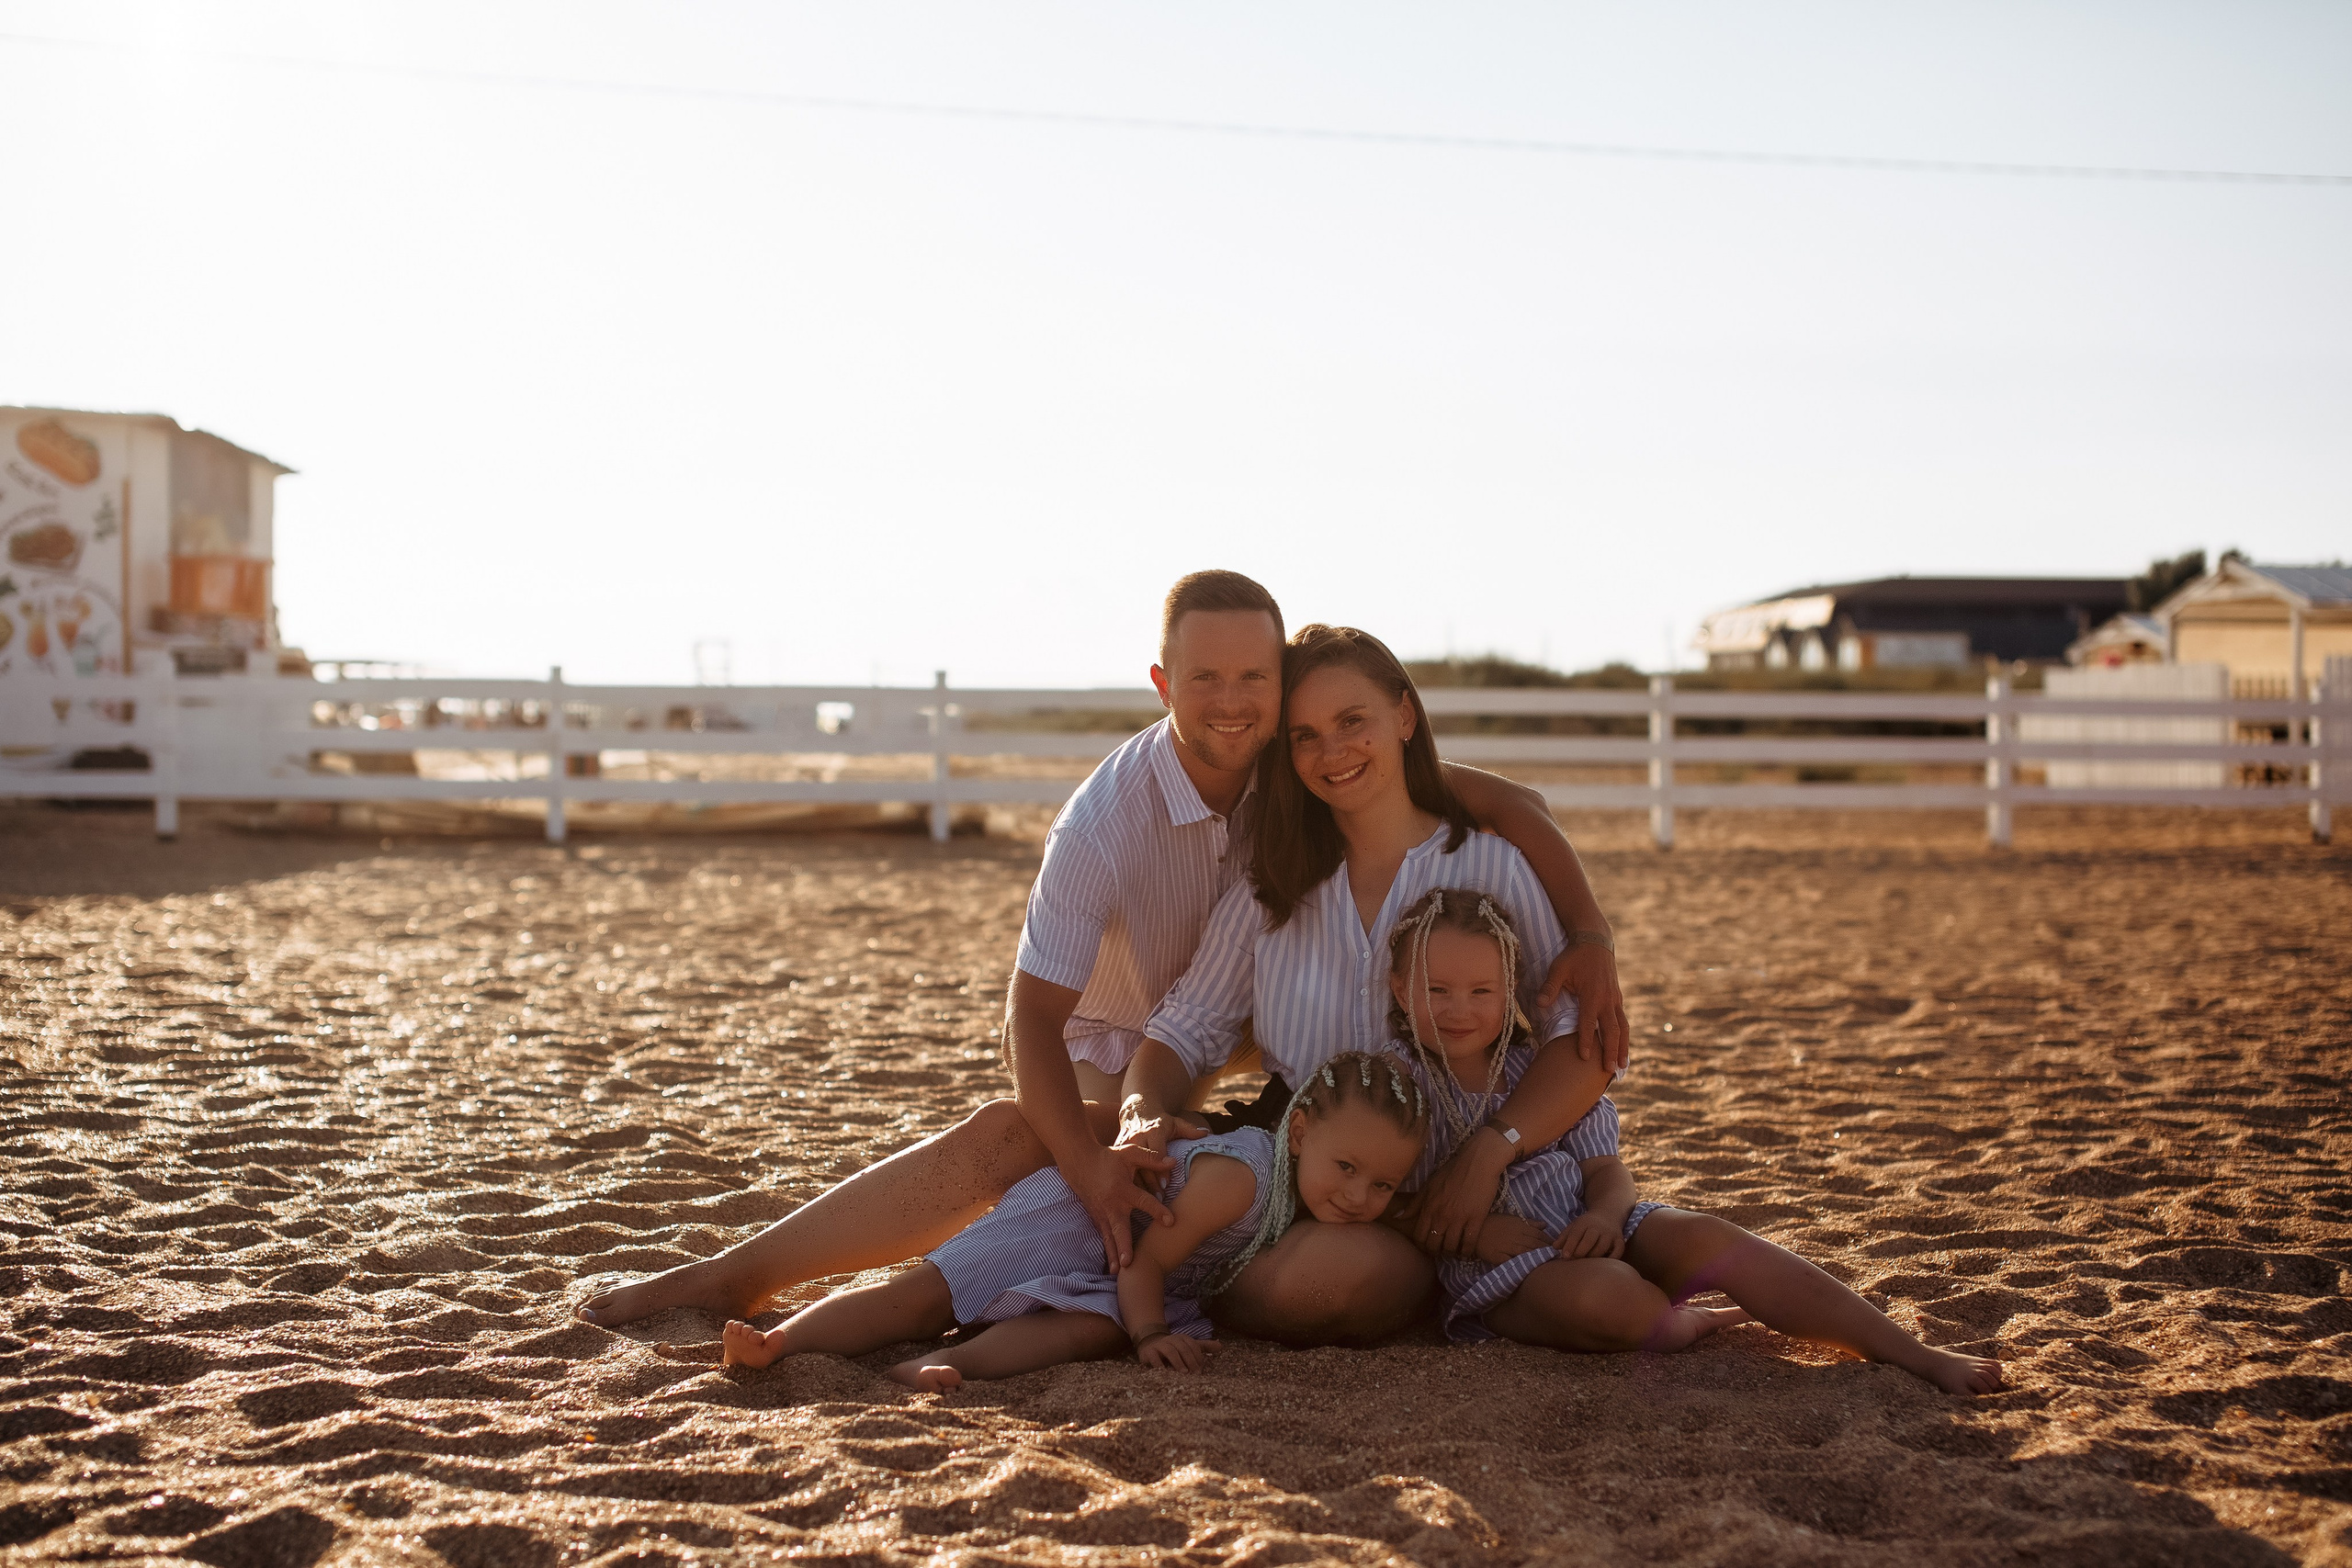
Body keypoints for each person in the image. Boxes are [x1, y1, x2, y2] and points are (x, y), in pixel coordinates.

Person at [577, 573, 1625, 1340]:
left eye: (1255, 680)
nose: (1237, 704)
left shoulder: (1305, 765)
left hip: (1298, 1078)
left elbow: (1497, 798)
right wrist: (1116, 1132)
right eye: (1206, 678)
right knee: (1041, 1152)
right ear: (1163, 682)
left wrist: (1586, 931)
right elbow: (1040, 1021)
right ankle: (744, 1275)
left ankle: (1144, 1289)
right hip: (1130, 1042)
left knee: (1281, 1218)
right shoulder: (1114, 818)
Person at [1115, 624, 1621, 1346]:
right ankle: (1153, 1288)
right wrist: (1139, 1109)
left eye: (1354, 721)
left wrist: (1489, 1151)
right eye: (1305, 735)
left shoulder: (1493, 866)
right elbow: (1183, 1029)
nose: (1334, 751)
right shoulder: (1275, 883)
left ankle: (1160, 1286)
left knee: (1351, 1279)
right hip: (1305, 1165)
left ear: (1405, 717)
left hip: (1465, 1164)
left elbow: (1582, 1037)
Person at [1385, 886, 2005, 1395]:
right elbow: (1384, 1203)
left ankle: (1912, 1352)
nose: (1458, 1009)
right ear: (1397, 990)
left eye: (1480, 991)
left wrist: (1605, 1213)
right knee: (1609, 1302)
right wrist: (1477, 1233)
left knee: (1712, 1236)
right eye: (1436, 990)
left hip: (1591, 1222)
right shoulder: (1397, 1086)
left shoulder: (1538, 1071)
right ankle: (1692, 1320)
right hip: (1507, 1277)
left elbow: (1606, 1169)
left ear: (1510, 989)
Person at [716, 1052, 1427, 1391]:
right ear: (1299, 1132)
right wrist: (1149, 1332)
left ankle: (939, 1367)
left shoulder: (1301, 1191)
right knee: (927, 1294)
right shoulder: (1240, 1177)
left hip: (1132, 1271)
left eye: (1383, 1184)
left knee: (1081, 1333)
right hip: (1082, 1221)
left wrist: (1137, 1323)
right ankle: (781, 1340)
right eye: (1348, 1168)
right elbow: (1147, 1262)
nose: (1361, 1196)